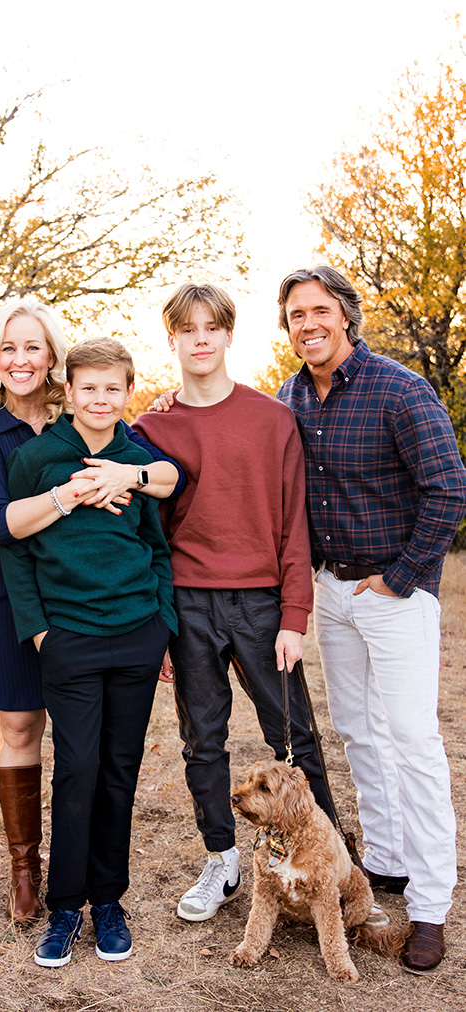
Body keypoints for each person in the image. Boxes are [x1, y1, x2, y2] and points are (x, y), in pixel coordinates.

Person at [0, 299, 184, 925]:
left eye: (32, 347)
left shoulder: (117, 440)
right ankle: (38, 880)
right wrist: (38, 628)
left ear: (52, 361)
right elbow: (1, 531)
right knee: (44, 743)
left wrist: (132, 477)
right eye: (7, 348)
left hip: (130, 627)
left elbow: (167, 495)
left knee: (116, 765)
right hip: (44, 618)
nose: (19, 359)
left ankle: (107, 899)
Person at [275, 264, 466, 974]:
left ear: (345, 316)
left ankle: (430, 904)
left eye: (319, 310)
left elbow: (448, 489)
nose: (308, 323)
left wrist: (401, 577)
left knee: (412, 737)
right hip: (330, 590)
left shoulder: (398, 389)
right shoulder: (288, 396)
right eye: (295, 314)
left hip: (393, 594)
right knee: (356, 729)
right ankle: (383, 858)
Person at [133, 282, 335, 925]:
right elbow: (147, 537)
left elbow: (293, 524)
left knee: (294, 735)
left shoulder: (273, 419)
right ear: (172, 339)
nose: (199, 339)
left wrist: (294, 617)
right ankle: (223, 859)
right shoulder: (150, 428)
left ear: (227, 336)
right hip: (188, 604)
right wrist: (162, 624)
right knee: (203, 741)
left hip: (260, 603)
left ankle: (329, 859)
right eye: (186, 329)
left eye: (211, 328)